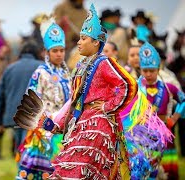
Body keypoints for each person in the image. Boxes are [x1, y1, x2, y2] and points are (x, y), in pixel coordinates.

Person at [46, 4, 137, 179]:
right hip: (82, 122)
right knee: (69, 168)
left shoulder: (104, 62)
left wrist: (109, 107)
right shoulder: (80, 66)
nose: (79, 42)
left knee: (83, 169)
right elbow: (74, 101)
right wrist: (57, 124)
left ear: (96, 42)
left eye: (83, 39)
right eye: (79, 38)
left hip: (99, 125)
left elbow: (129, 84)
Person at [16, 18, 71, 180]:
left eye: (62, 50)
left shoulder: (67, 74)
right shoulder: (40, 72)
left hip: (63, 131)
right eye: (55, 51)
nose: (59, 54)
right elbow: (31, 103)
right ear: (46, 53)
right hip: (43, 132)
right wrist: (47, 124)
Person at [138, 42, 185, 180]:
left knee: (166, 171)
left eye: (152, 71)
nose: (148, 74)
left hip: (164, 133)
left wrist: (175, 118)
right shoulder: (136, 88)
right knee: (144, 169)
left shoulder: (169, 87)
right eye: (145, 71)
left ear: (159, 69)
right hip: (142, 134)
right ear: (140, 69)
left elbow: (183, 100)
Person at [0, 40, 44, 158]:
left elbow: (0, 96)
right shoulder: (43, 67)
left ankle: (22, 170)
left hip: (15, 116)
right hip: (35, 115)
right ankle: (26, 171)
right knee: (30, 150)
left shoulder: (9, 68)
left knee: (21, 147)